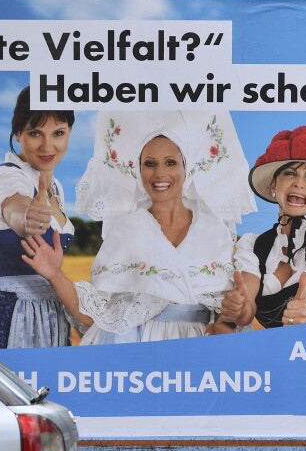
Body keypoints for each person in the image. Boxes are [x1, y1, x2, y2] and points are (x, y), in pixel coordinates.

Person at [22, 110, 256, 344]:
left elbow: (234, 315)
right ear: (138, 170)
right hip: (138, 346)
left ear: (187, 169)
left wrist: (236, 311)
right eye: (150, 164)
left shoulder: (214, 231)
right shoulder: (126, 230)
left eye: (171, 162)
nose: (160, 173)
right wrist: (54, 273)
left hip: (199, 346)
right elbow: (95, 315)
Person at [0, 86, 75, 348]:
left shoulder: (55, 188)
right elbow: (13, 205)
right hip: (7, 315)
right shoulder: (6, 175)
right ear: (18, 134)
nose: (48, 146)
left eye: (58, 133)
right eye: (35, 133)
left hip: (48, 316)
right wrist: (25, 217)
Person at [215, 126, 306, 331]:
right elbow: (247, 312)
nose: (298, 183)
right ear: (274, 185)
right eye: (290, 173)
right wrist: (238, 308)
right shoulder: (255, 246)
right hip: (275, 358)